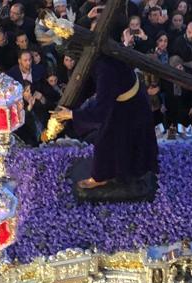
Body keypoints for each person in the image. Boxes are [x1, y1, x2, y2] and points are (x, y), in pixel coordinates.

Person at [50, 55, 159, 190]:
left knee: (110, 138)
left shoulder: (105, 69)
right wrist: (73, 105)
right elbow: (88, 86)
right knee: (109, 138)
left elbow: (100, 112)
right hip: (121, 100)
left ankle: (113, 175)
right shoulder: (94, 61)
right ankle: (104, 174)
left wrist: (71, 114)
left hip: (133, 105)